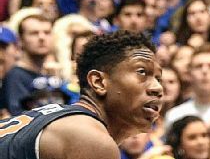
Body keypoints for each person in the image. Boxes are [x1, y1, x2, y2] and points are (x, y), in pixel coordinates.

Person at [0, 31, 162, 159]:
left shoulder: (62, 120)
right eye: (142, 72)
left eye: (158, 78)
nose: (158, 88)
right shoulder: (89, 139)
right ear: (98, 82)